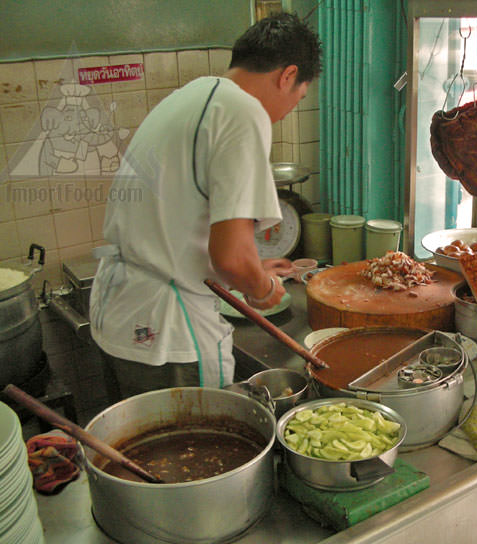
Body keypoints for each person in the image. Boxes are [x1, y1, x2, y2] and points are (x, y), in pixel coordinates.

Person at [89, 12, 323, 401]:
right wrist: (262, 288)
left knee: (141, 456)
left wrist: (251, 267)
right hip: (168, 331)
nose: (287, 113)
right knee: (198, 454)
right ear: (287, 76)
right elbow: (231, 258)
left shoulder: (191, 97)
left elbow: (179, 227)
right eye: (297, 98)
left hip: (121, 312)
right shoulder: (243, 112)